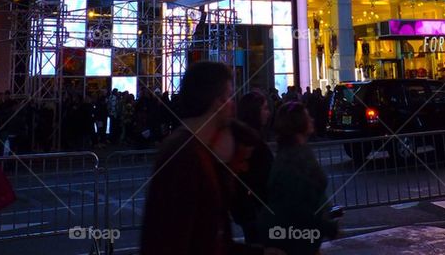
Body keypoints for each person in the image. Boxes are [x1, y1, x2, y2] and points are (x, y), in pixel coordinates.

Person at [140, 62, 283, 255]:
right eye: (230, 96)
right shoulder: (184, 157)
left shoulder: (200, 150)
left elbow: (211, 241)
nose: (233, 106)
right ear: (218, 101)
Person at [263, 102, 339, 255]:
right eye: (307, 116)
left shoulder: (293, 153)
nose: (311, 119)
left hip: (301, 239)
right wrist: (328, 227)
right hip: (299, 241)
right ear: (298, 124)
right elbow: (302, 206)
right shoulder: (295, 159)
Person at [232, 90, 275, 246]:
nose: (268, 113)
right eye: (264, 108)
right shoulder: (251, 142)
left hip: (251, 211)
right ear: (254, 111)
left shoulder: (246, 138)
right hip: (257, 211)